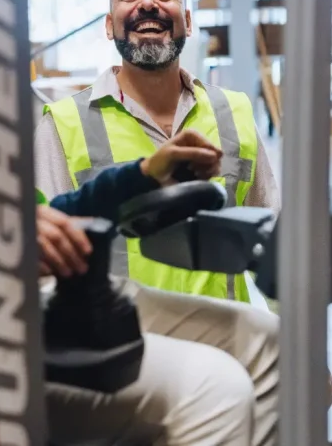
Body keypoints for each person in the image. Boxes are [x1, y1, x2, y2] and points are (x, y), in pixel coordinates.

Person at [35, 0, 280, 302]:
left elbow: (272, 240)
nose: (148, 4)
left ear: (188, 21)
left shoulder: (235, 112)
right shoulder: (62, 124)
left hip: (226, 340)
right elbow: (49, 257)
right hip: (124, 343)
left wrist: (292, 340)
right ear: (109, 25)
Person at [40, 129, 281, 446]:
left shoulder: (229, 108)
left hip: (55, 288)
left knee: (266, 337)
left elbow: (58, 212)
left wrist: (142, 176)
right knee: (215, 386)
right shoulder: (62, 123)